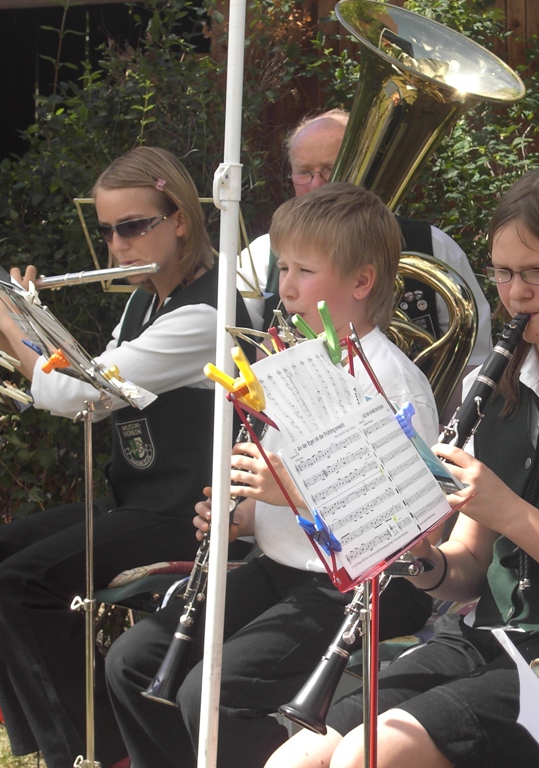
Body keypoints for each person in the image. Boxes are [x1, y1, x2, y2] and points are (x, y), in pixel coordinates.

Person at [266, 165, 539, 768]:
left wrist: (513, 514)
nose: (516, 293)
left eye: (538, 272)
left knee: (378, 753)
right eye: (502, 273)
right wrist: (419, 559)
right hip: (486, 638)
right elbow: (471, 568)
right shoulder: (493, 386)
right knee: (298, 758)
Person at [104, 182, 439, 768]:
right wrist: (242, 515)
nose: (285, 287)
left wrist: (290, 494)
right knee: (131, 663)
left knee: (214, 695)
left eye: (305, 271)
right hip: (284, 567)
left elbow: (407, 526)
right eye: (284, 268)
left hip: (368, 589)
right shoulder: (293, 361)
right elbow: (279, 487)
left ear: (361, 282)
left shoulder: (391, 380)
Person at [0, 146, 254, 768]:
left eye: (134, 226)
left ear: (180, 220)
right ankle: (61, 739)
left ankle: (101, 753)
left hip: (191, 513)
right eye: (109, 231)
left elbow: (80, 395)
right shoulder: (145, 300)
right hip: (141, 502)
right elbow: (82, 386)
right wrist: (11, 322)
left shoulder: (207, 313)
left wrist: (17, 321)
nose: (119, 247)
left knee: (22, 584)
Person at [240, 108, 493, 375]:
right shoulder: (261, 253)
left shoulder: (433, 245)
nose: (316, 185)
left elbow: (474, 359)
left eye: (330, 169)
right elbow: (234, 344)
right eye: (303, 172)